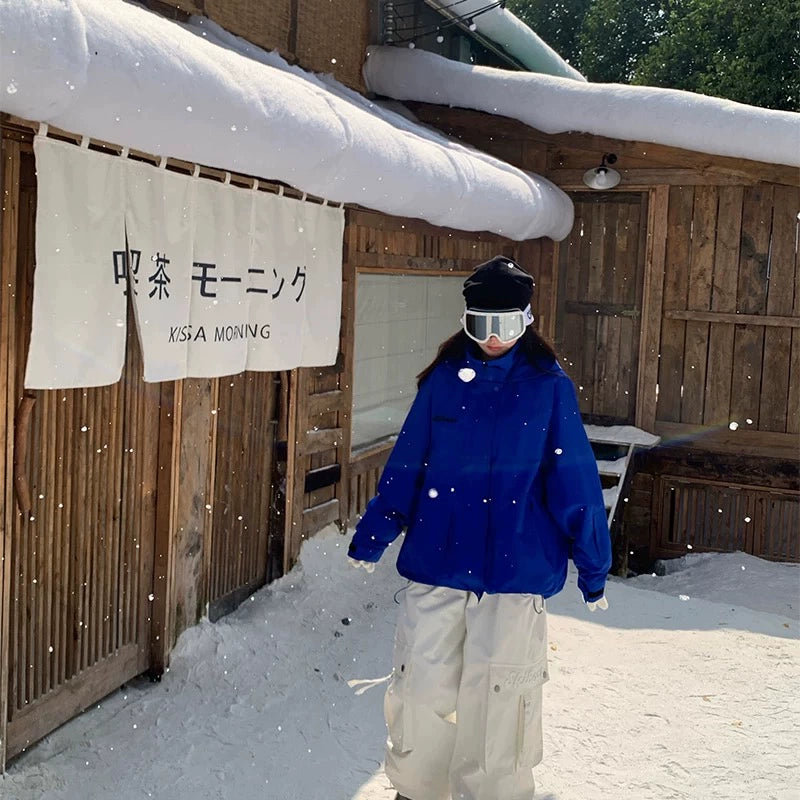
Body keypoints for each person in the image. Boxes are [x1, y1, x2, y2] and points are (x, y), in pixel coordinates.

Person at [347, 256, 611, 800]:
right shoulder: (444, 382)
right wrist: (375, 530)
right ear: (466, 321)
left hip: (516, 573)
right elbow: (408, 463)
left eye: (507, 327)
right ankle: (416, 792)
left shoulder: (547, 387)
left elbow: (574, 479)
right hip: (439, 563)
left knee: (499, 705)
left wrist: (593, 564)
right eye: (482, 326)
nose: (494, 340)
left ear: (527, 321)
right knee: (421, 692)